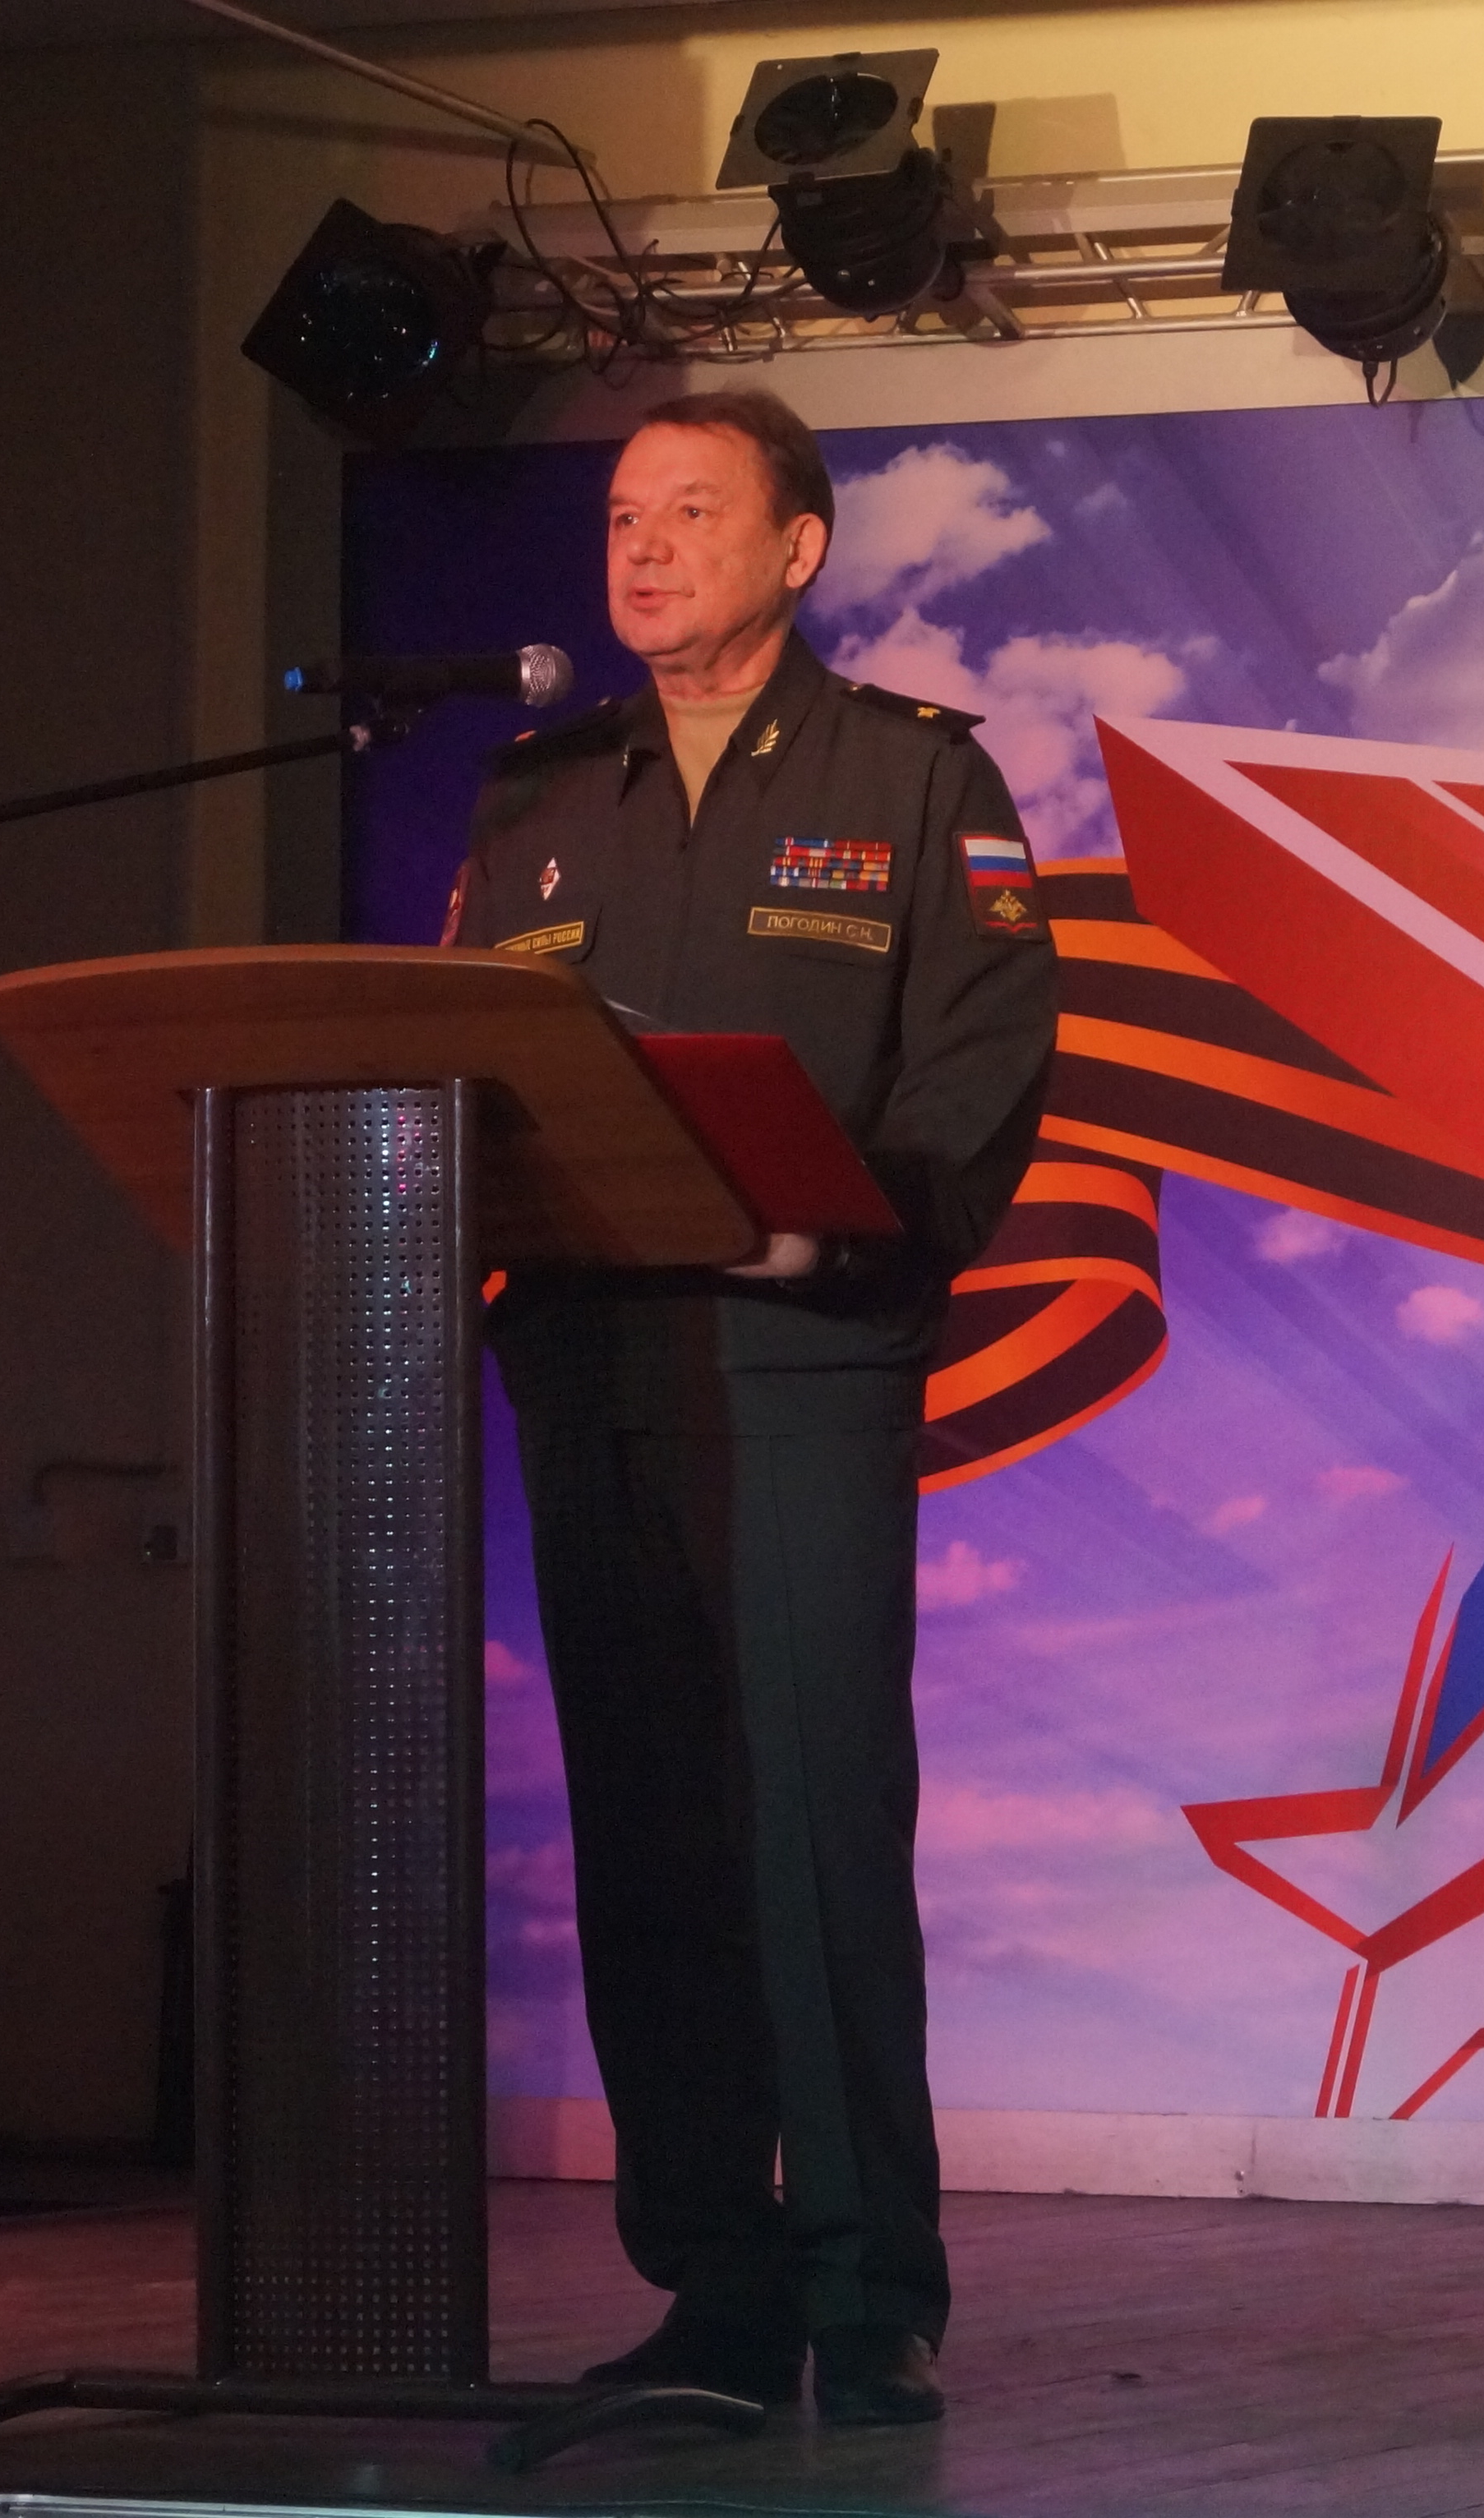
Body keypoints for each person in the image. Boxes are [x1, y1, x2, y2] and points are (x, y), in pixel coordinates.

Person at [444, 389, 1057, 2427]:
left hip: (801, 1353)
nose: (640, 547)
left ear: (798, 547)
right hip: (596, 1362)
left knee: (809, 1824)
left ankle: (868, 2285)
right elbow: (464, 1050)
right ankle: (714, 2279)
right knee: (651, 1833)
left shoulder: (912, 776)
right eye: (622, 513)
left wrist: (850, 1237)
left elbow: (979, 1052)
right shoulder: (538, 791)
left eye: (689, 511)